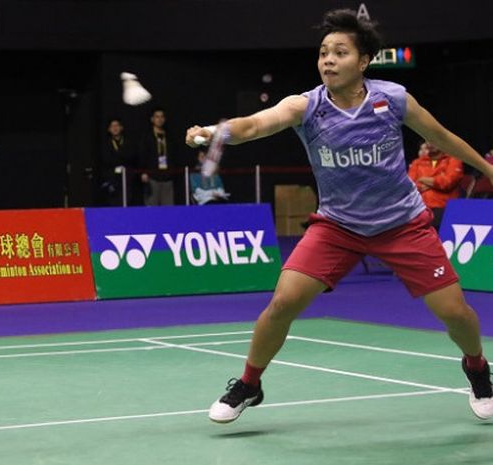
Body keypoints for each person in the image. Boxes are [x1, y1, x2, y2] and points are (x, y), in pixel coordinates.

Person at [186, 9, 493, 425]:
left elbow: (440, 136)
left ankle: (477, 368)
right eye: (324, 52)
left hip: (402, 223)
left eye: (340, 52)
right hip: (337, 226)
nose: (328, 60)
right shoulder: (306, 106)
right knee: (283, 302)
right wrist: (215, 130)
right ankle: (249, 383)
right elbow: (257, 124)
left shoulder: (393, 99)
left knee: (455, 313)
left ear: (363, 61)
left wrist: (488, 170)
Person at [408, 141, 463, 230]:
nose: (432, 144)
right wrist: (435, 181)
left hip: (444, 208)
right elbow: (410, 186)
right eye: (429, 141)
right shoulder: (417, 162)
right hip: (420, 207)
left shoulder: (453, 160)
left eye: (435, 140)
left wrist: (422, 179)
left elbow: (447, 182)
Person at [139, 107, 175, 205]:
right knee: (152, 208)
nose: (159, 119)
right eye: (157, 117)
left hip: (167, 177)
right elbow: (143, 155)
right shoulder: (147, 136)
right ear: (152, 119)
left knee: (168, 209)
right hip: (152, 176)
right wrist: (144, 172)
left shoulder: (169, 135)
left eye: (161, 117)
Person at [100, 118, 136, 206]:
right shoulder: (106, 143)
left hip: (127, 177)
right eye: (112, 126)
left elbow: (131, 156)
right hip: (112, 178)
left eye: (117, 125)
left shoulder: (128, 142)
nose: (115, 128)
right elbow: (106, 159)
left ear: (121, 127)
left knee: (128, 201)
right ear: (109, 129)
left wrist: (119, 156)